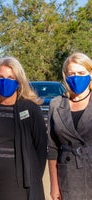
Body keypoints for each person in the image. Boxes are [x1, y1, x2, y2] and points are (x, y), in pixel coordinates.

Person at [0, 56, 47, 200]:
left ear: (19, 81)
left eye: (11, 77)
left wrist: (33, 177)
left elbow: (41, 149)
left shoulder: (31, 109)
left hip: (19, 184)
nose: (5, 81)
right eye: (1, 77)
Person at [47, 52, 92, 200]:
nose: (76, 77)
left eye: (81, 73)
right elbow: (52, 148)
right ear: (65, 76)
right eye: (71, 74)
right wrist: (54, 185)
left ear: (90, 74)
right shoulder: (56, 104)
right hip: (68, 176)